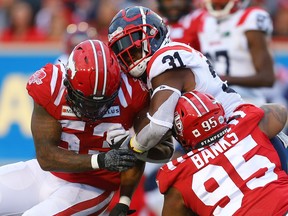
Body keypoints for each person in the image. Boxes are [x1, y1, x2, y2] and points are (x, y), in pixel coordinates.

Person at [0, 39, 150, 215]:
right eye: (86, 102)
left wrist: (124, 200)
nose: (93, 110)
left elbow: (141, 149)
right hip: (49, 174)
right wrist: (101, 160)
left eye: (102, 103)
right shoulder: (50, 85)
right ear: (67, 82)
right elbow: (46, 157)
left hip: (93, 187)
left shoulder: (133, 92)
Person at [108, 5, 244, 154]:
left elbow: (158, 127)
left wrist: (129, 145)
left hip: (233, 124)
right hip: (215, 135)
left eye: (133, 47)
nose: (128, 55)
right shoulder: (150, 76)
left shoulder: (163, 60)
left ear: (155, 35)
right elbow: (164, 150)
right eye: (122, 51)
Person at [157, 90, 288, 215]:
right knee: (275, 137)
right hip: (284, 202)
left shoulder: (179, 176)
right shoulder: (246, 123)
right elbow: (280, 111)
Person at [198, 0, 275, 106]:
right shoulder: (204, 20)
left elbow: (267, 78)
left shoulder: (250, 18)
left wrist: (222, 79)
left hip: (247, 100)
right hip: (214, 101)